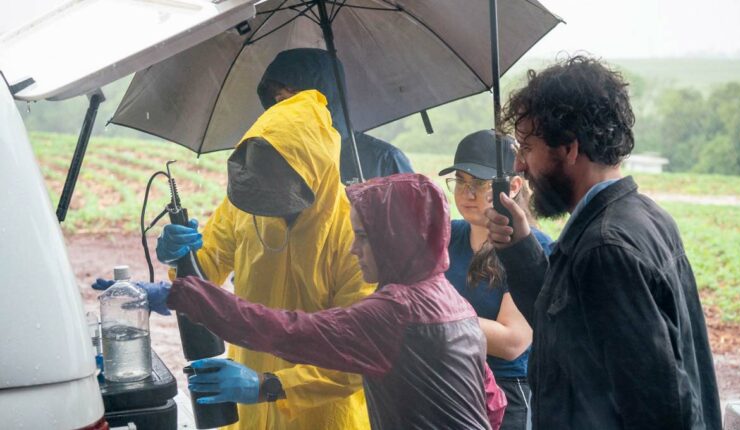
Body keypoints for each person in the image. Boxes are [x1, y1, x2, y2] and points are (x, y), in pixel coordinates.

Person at [146, 174, 506, 429]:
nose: (353, 248)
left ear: (394, 241)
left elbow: (287, 331)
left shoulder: (395, 311)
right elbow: (493, 403)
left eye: (364, 237)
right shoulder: (449, 299)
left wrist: (187, 294)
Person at [485, 55, 722, 429]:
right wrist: (520, 249)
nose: (519, 166)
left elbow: (659, 409)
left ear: (569, 147)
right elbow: (568, 338)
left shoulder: (605, 249)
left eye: (527, 148)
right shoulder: (642, 216)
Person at [154, 85, 375, 428]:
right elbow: (204, 275)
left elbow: (360, 353)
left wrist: (269, 385)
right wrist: (180, 255)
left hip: (323, 417)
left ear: (314, 169)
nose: (272, 196)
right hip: (250, 412)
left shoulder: (355, 234)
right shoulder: (247, 206)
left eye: (282, 180)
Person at [438, 130, 552, 429]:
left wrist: (433, 316)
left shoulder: (532, 249)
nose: (467, 194)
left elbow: (512, 341)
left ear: (513, 185)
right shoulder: (445, 236)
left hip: (506, 393)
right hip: (447, 382)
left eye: (479, 183)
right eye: (460, 181)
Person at [256, 48, 413, 184]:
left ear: (327, 94)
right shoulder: (280, 163)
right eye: (282, 100)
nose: (292, 108)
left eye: (298, 97)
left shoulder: (384, 159)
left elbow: (411, 217)